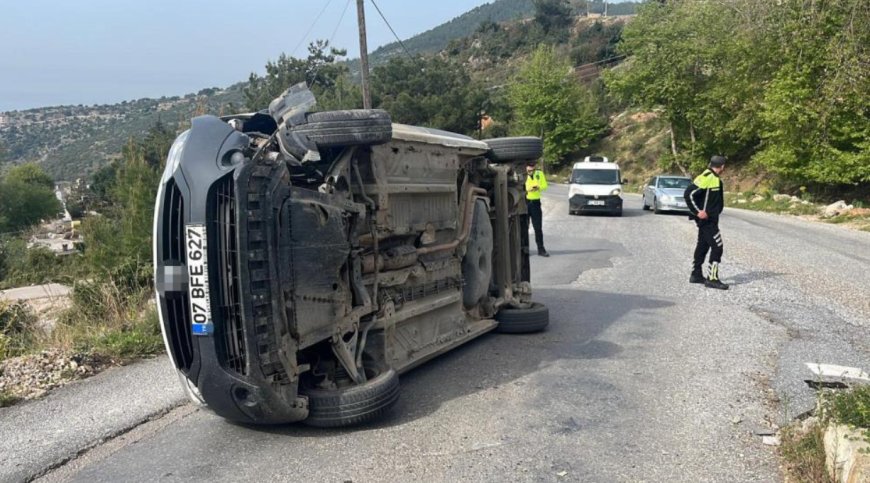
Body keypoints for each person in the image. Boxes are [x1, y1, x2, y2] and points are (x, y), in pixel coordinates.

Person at [684, 155, 729, 290]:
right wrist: (698, 212)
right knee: (717, 247)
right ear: (722, 167)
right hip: (707, 220)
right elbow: (689, 194)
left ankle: (696, 274)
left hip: (710, 220)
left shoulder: (712, 177)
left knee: (703, 245)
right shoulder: (708, 177)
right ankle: (712, 278)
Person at [525, 160, 550, 257]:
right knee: (524, 228)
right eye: (529, 167)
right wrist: (528, 189)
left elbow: (545, 186)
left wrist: (538, 187)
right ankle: (525, 249)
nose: (531, 169)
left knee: (538, 227)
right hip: (525, 202)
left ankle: (541, 249)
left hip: (535, 202)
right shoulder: (522, 174)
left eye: (532, 167)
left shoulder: (539, 173)